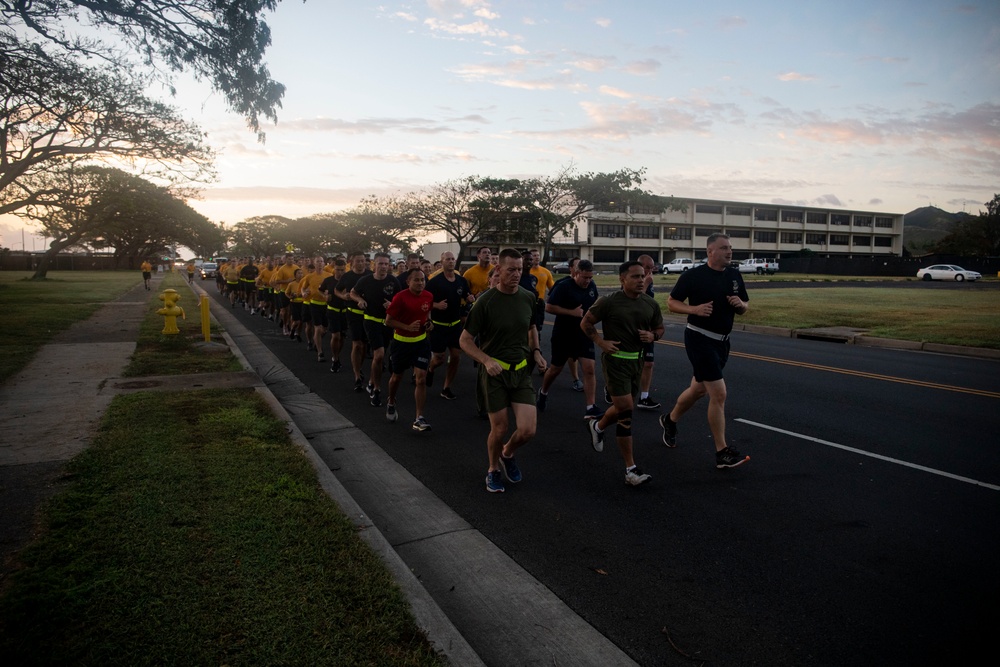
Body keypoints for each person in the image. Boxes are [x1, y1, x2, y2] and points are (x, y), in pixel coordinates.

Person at [660, 233, 751, 469]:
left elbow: (745, 305)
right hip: (699, 338)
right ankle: (722, 452)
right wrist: (695, 309)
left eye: (730, 247)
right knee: (718, 394)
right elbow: (671, 302)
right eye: (723, 248)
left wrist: (741, 306)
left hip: (723, 342)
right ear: (710, 251)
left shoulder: (733, 274)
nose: (729, 252)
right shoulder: (693, 275)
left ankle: (669, 420)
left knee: (698, 390)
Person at [460, 248, 547, 494]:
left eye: (520, 269)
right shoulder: (485, 302)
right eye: (511, 269)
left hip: (520, 371)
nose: (517, 274)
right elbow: (465, 340)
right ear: (498, 270)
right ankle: (492, 469)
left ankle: (507, 453)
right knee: (499, 428)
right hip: (494, 373)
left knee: (528, 430)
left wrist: (537, 351)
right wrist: (486, 360)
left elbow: (531, 328)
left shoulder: (528, 297)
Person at [581, 260, 664, 486]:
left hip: (636, 363)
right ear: (622, 279)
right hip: (615, 362)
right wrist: (600, 341)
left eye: (642, 276)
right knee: (626, 410)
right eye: (635, 276)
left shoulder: (649, 303)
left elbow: (659, 328)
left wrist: (653, 337)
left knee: (620, 408)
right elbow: (586, 323)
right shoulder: (608, 302)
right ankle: (631, 470)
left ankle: (597, 426)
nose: (640, 280)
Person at [536, 259, 603, 419]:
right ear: (576, 273)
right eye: (584, 277)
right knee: (555, 370)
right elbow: (549, 306)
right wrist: (571, 312)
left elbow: (595, 306)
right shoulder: (563, 286)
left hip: (583, 333)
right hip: (563, 334)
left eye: (590, 278)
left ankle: (590, 407)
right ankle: (543, 392)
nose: (587, 281)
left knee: (589, 369)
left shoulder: (592, 286)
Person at [384, 268, 434, 431]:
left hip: (421, 344)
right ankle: (391, 401)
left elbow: (427, 315)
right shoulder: (400, 297)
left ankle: (419, 418)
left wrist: (429, 324)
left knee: (421, 379)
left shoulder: (428, 296)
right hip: (401, 343)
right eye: (416, 280)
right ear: (408, 281)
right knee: (396, 378)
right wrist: (407, 327)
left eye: (422, 280)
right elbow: (388, 321)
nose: (420, 283)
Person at [351, 252, 400, 407]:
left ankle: (372, 381)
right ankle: (377, 390)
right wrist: (359, 300)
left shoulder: (393, 281)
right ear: (373, 264)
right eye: (380, 264)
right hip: (371, 321)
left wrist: (392, 305)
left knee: (381, 355)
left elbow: (401, 300)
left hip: (388, 323)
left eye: (386, 264)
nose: (384, 267)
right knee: (379, 355)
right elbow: (353, 292)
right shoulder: (365, 280)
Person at [425, 251, 470, 400]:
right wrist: (436, 305)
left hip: (455, 325)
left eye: (452, 259)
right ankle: (430, 369)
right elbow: (424, 301)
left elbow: (466, 295)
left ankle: (446, 388)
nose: (451, 261)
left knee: (456, 356)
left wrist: (469, 297)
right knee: (439, 359)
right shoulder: (434, 281)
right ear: (441, 261)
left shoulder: (461, 280)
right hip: (439, 325)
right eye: (447, 259)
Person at [336, 251, 372, 392]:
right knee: (356, 345)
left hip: (368, 315)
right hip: (352, 314)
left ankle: (359, 367)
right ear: (352, 262)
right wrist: (343, 296)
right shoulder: (347, 276)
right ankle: (357, 375)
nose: (361, 263)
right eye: (358, 261)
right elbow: (337, 290)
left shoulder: (370, 275)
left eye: (363, 260)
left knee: (363, 346)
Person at [635, 254, 661, 410]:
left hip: (648, 328)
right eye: (647, 267)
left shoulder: (649, 281)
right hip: (633, 329)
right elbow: (636, 302)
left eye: (652, 268)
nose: (650, 271)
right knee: (631, 364)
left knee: (649, 363)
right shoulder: (633, 280)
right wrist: (645, 284)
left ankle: (644, 397)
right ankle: (612, 389)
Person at [321, 258, 348, 372]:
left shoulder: (348, 280)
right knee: (335, 335)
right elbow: (321, 290)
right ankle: (335, 359)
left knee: (341, 337)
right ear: (334, 269)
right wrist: (325, 296)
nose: (340, 272)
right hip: (332, 310)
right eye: (338, 270)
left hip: (345, 312)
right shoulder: (328, 280)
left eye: (342, 270)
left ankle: (337, 355)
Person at [299, 257, 328, 361]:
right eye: (317, 262)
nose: (320, 263)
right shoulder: (309, 276)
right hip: (314, 304)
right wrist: (303, 293)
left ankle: (316, 341)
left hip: (326, 305)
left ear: (324, 263)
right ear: (314, 264)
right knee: (317, 328)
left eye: (321, 261)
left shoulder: (328, 276)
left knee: (324, 330)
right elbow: (303, 287)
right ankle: (320, 352)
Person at [529, 249, 555, 332]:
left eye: (538, 255)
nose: (537, 257)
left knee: (537, 328)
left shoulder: (546, 272)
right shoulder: (525, 271)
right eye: (534, 255)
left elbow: (552, 289)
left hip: (539, 303)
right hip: (527, 303)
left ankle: (537, 343)